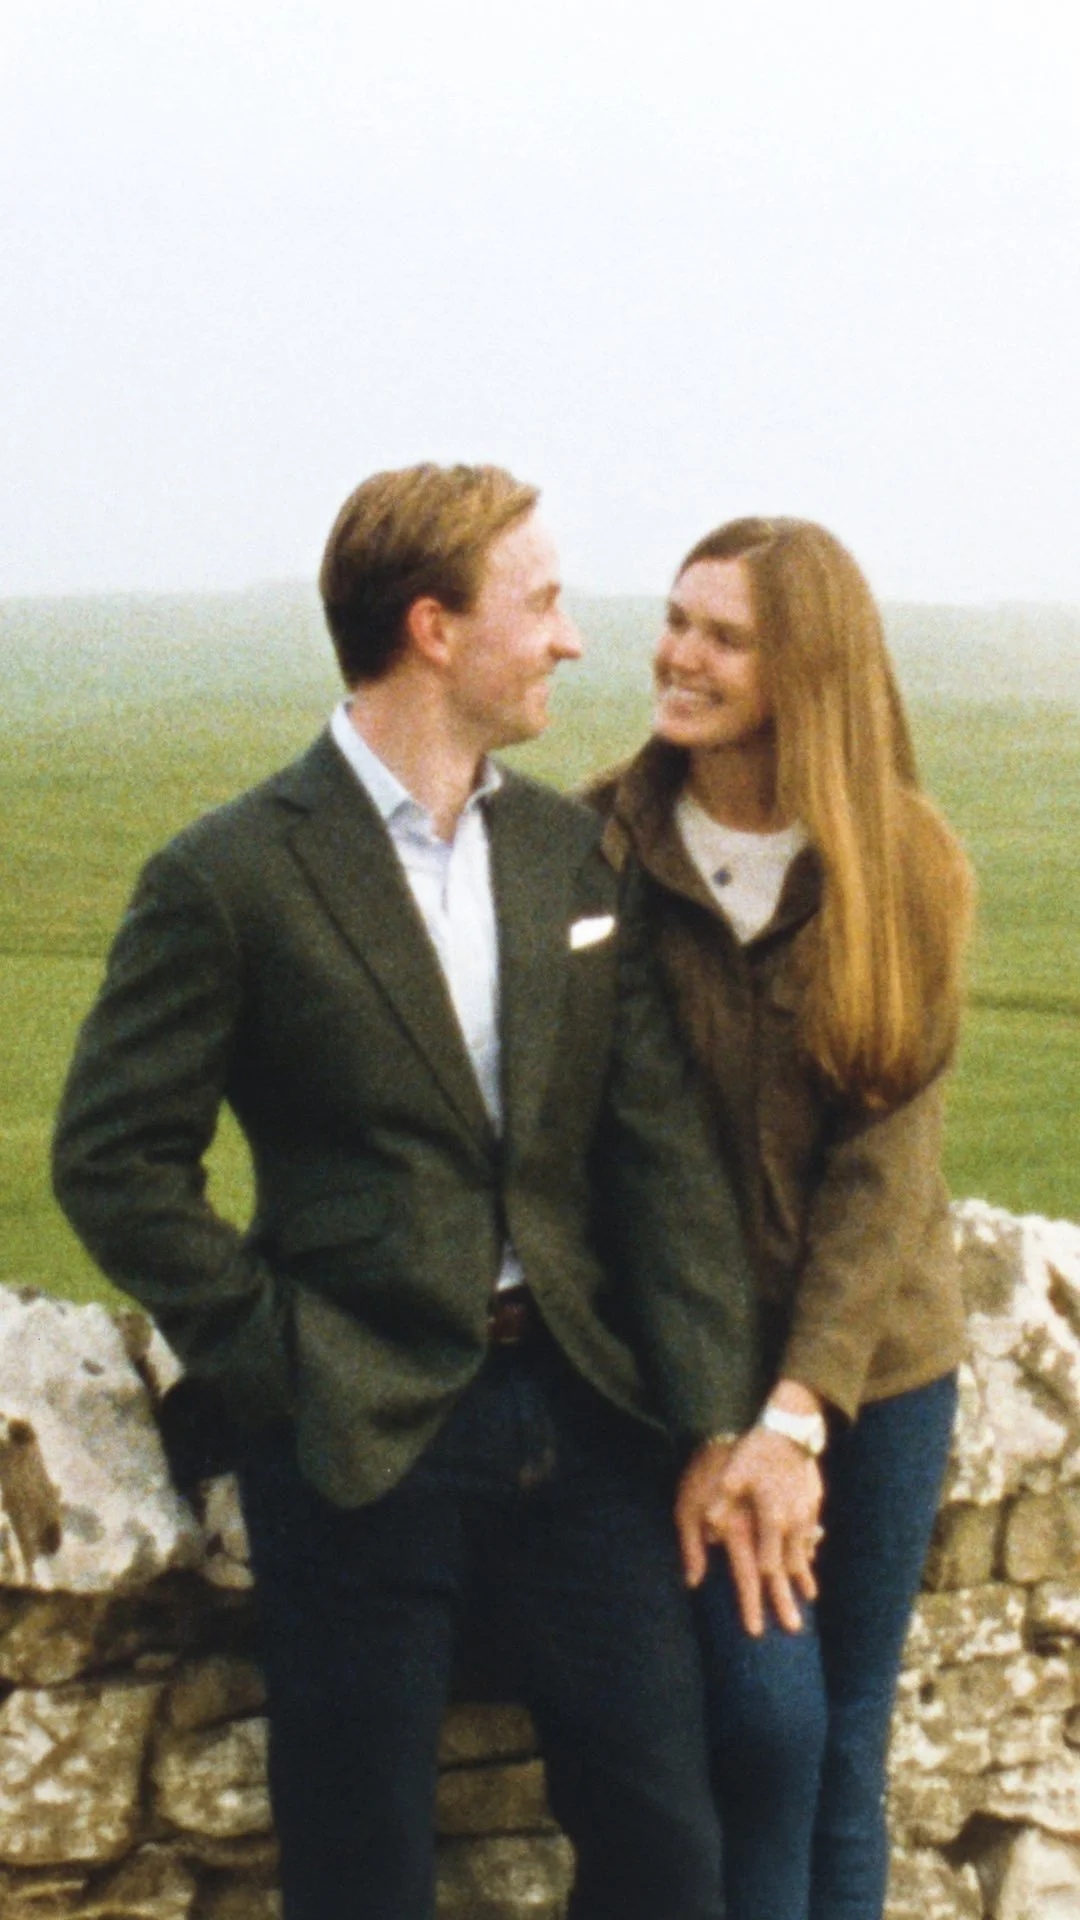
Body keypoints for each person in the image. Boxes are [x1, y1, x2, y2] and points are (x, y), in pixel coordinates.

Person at [51, 465, 805, 1920]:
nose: (574, 638)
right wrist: (282, 1358)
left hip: (584, 1426)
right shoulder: (229, 875)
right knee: (363, 1875)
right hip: (357, 1436)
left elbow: (657, 1162)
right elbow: (112, 1158)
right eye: (542, 604)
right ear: (434, 629)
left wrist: (715, 1418)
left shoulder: (570, 854)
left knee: (669, 1855)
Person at [588, 516, 973, 1920]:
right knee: (766, 1726)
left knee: (844, 1745)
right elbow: (610, 1147)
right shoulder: (597, 844)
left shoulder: (902, 861)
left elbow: (886, 1162)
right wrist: (724, 1415)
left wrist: (799, 1414)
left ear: (806, 671)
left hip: (878, 1372)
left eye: (725, 637)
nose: (677, 657)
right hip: (685, 1373)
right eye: (676, 620)